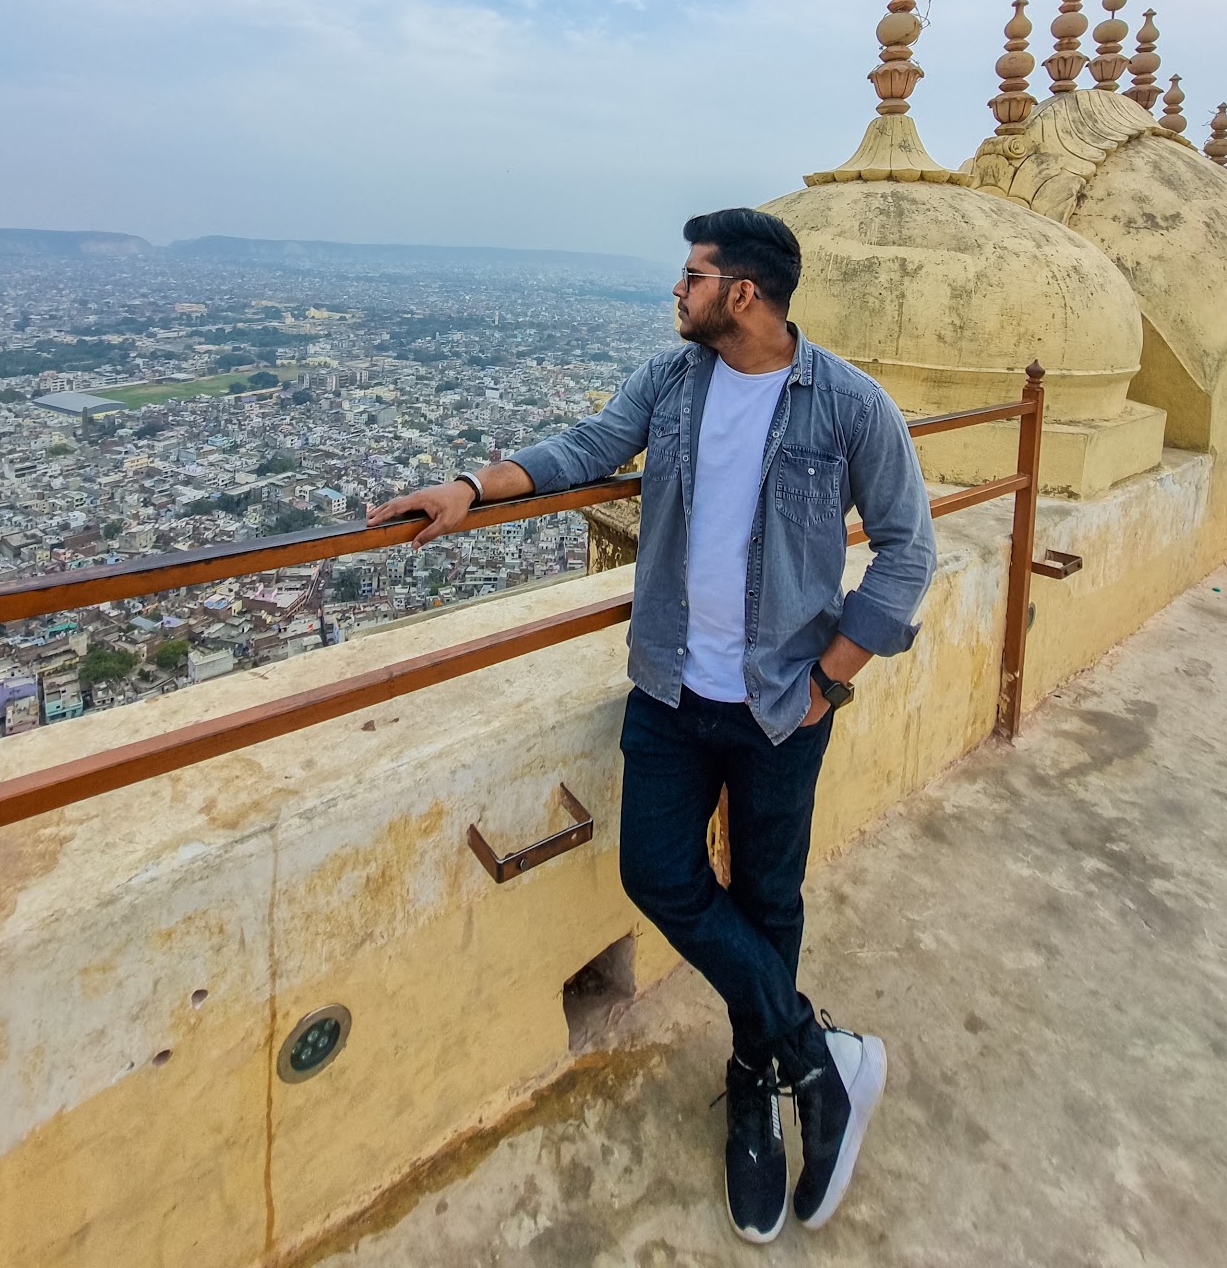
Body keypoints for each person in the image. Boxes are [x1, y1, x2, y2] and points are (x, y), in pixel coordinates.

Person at [367, 208, 936, 1245]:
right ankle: (820, 1061)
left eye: (693, 276)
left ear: (743, 294)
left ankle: (758, 1087)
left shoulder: (851, 406)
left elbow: (908, 549)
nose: (678, 290)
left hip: (781, 702)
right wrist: (469, 487)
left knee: (767, 899)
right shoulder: (673, 384)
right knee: (659, 873)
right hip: (671, 692)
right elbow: (586, 448)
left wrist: (831, 678)